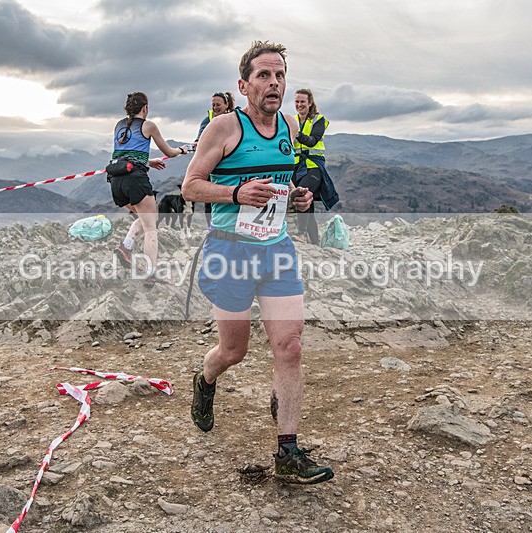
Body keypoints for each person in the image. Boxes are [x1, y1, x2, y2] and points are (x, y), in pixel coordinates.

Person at [182, 41, 334, 484]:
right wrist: (234, 193)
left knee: (290, 346)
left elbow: (282, 187)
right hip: (229, 251)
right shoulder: (224, 128)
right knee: (235, 350)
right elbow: (190, 186)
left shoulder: (289, 123)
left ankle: (287, 452)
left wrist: (299, 199)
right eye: (264, 76)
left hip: (276, 249)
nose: (274, 84)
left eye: (280, 75)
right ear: (243, 84)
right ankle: (206, 379)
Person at [109, 92, 189, 285]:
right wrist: (182, 150)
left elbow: (126, 153)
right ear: (145, 108)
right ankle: (150, 274)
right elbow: (169, 151)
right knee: (151, 227)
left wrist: (148, 161)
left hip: (115, 180)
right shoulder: (149, 125)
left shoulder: (119, 125)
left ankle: (126, 247)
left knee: (145, 218)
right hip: (135, 180)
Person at [292, 88, 339, 244]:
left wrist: (296, 133)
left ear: (310, 102)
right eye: (297, 101)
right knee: (308, 207)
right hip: (297, 166)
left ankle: (301, 232)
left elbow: (312, 141)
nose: (299, 105)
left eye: (302, 102)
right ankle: (315, 244)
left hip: (313, 165)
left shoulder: (318, 120)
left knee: (301, 194)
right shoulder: (292, 120)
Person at [194, 92, 238, 227]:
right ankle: (211, 227)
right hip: (212, 166)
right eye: (213, 105)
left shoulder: (235, 119)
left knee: (231, 196)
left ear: (226, 105)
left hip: (230, 165)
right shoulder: (207, 120)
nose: (215, 107)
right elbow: (199, 139)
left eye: (218, 105)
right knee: (210, 198)